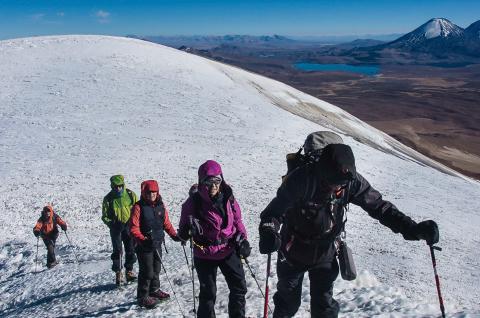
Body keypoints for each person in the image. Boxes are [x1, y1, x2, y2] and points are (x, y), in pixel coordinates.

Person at [258, 131, 440, 318]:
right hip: (293, 252)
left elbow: (380, 207)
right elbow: (273, 213)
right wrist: (269, 230)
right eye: (333, 184)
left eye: (341, 186)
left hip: (325, 253)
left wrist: (413, 229)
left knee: (324, 308)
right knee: (288, 305)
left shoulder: (350, 181)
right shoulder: (301, 179)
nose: (337, 189)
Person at [178, 160, 251, 318]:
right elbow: (182, 232)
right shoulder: (192, 203)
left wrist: (243, 240)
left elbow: (237, 221)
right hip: (204, 254)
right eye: (208, 182)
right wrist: (186, 232)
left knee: (239, 288)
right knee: (208, 293)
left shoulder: (228, 198)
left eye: (217, 181)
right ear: (201, 181)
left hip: (228, 249)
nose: (213, 186)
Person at [129, 180, 181, 309]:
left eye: (154, 192)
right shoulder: (138, 207)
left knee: (156, 269)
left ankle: (154, 290)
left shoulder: (160, 206)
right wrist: (143, 239)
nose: (152, 194)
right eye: (149, 192)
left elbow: (166, 223)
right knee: (147, 271)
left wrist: (174, 235)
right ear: (144, 193)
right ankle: (142, 297)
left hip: (157, 243)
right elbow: (133, 228)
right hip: (143, 245)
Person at [102, 174, 138, 285]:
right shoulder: (108, 199)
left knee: (131, 248)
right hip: (116, 228)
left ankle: (129, 271)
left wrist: (135, 223)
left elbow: (137, 210)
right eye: (115, 186)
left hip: (129, 226)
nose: (118, 188)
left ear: (123, 185)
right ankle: (118, 273)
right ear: (112, 186)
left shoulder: (130, 195)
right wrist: (112, 224)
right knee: (117, 251)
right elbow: (104, 216)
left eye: (120, 186)